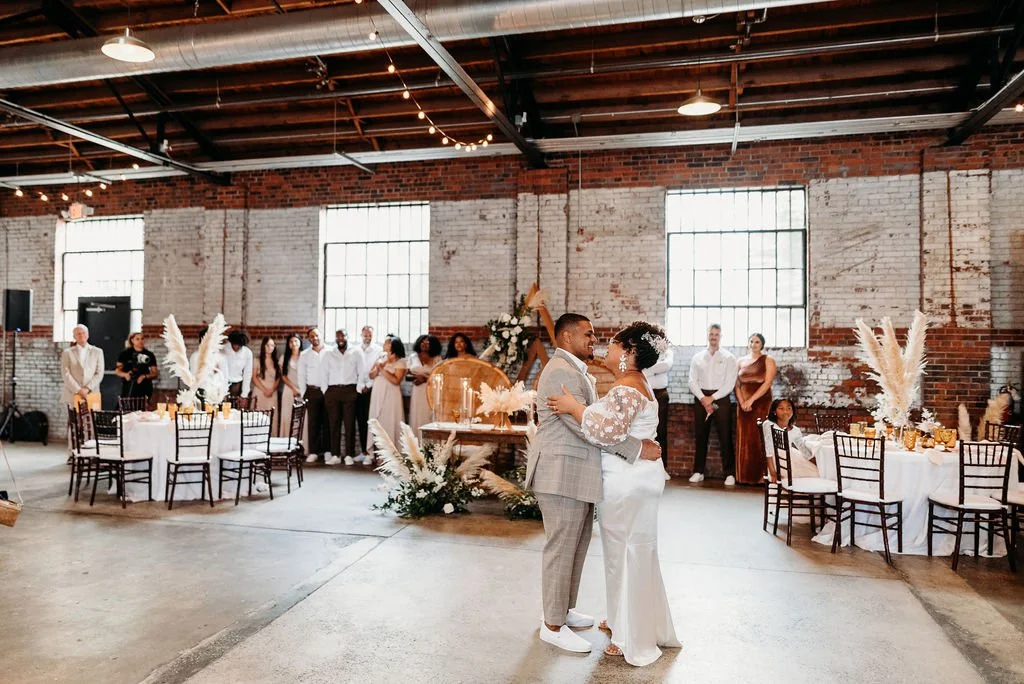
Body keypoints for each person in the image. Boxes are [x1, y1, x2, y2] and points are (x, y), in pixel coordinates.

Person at [524, 313, 662, 656]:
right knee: (561, 549)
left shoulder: (577, 371)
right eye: (588, 334)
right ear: (567, 337)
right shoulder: (558, 371)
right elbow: (582, 426)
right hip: (560, 473)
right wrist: (636, 448)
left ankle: (564, 610)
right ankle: (552, 626)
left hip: (580, 475)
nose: (594, 340)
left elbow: (596, 420)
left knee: (576, 546)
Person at [547, 321, 680, 666]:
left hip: (625, 481)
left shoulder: (626, 387)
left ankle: (626, 636)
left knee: (622, 554)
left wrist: (574, 407)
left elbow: (605, 432)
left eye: (614, 345)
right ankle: (627, 619)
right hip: (638, 479)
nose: (606, 349)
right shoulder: (640, 383)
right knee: (637, 550)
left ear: (629, 353)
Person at [687, 323, 738, 486]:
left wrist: (713, 398)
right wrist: (703, 398)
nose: (713, 336)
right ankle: (698, 471)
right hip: (701, 398)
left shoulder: (729, 357)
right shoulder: (697, 357)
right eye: (711, 334)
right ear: (707, 335)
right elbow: (691, 381)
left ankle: (729, 473)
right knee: (701, 435)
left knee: (725, 436)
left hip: (721, 399)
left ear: (721, 336)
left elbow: (730, 384)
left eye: (716, 334)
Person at [735, 333, 776, 484]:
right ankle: (744, 477)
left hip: (761, 403)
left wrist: (751, 400)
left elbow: (767, 383)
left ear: (762, 344)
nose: (754, 344)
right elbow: (737, 384)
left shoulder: (768, 360)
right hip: (743, 405)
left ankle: (761, 476)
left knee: (760, 438)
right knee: (744, 438)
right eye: (751, 341)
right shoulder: (740, 361)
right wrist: (742, 402)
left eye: (757, 342)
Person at [362, 336, 407, 466]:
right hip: (377, 394)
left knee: (390, 422)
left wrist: (382, 369)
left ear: (393, 345)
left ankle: (393, 455)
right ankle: (377, 453)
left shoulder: (401, 362)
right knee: (378, 422)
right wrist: (378, 367)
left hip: (391, 396)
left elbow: (396, 380)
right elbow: (370, 375)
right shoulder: (380, 357)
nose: (384, 344)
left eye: (387, 342)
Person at [323, 329, 365, 466]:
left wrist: (357, 389)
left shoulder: (356, 352)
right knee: (333, 424)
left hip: (350, 390)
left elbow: (361, 371)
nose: (340, 338)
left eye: (343, 335)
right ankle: (335, 455)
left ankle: (349, 454)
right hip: (333, 391)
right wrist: (325, 391)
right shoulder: (329, 353)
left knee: (349, 424)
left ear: (348, 336)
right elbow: (323, 373)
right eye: (338, 336)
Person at [762, 398, 817, 479]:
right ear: (774, 412)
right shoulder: (769, 425)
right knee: (809, 476)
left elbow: (803, 449)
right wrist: (773, 473)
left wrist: (816, 462)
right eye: (781, 408)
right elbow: (768, 450)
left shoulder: (795, 430)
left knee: (817, 472)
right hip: (777, 461)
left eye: (789, 408)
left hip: (791, 457)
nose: (785, 411)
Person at [299, 328, 330, 464]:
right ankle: (313, 452)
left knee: (328, 421)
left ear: (321, 335)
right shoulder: (304, 355)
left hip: (328, 391)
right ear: (308, 339)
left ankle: (328, 451)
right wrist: (303, 392)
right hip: (312, 391)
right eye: (311, 336)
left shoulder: (330, 352)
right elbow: (301, 375)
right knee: (313, 423)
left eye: (316, 335)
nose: (314, 338)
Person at [643, 344, 675, 469]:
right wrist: (656, 368)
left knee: (661, 431)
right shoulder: (646, 350)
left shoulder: (668, 352)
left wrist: (648, 368)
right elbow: (642, 368)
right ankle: (646, 466)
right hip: (646, 393)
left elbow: (666, 365)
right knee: (646, 430)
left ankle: (662, 467)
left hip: (661, 394)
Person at [61, 324, 104, 408]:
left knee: (91, 419)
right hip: (73, 393)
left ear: (87, 335)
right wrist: (78, 390)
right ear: (74, 336)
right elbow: (65, 373)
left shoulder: (98, 352)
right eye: (78, 334)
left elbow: (99, 373)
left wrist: (87, 388)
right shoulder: (67, 352)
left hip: (92, 393)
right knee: (73, 420)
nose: (81, 335)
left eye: (83, 333)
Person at [356, 326, 383, 460]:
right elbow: (355, 369)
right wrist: (361, 386)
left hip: (373, 389)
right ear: (361, 335)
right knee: (361, 421)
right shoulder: (356, 349)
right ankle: (364, 451)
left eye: (369, 335)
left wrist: (368, 385)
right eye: (365, 335)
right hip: (359, 389)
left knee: (372, 420)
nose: (367, 337)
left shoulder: (379, 350)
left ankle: (374, 452)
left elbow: (378, 370)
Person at [408, 334, 443, 433]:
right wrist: (414, 378)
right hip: (417, 390)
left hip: (431, 389)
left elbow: (440, 376)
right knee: (416, 415)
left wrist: (425, 379)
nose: (425, 344)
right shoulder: (413, 357)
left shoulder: (437, 358)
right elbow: (407, 373)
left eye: (428, 342)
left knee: (428, 414)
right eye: (423, 342)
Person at [115, 332, 159, 406]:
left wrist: (144, 376)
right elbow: (117, 371)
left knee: (142, 408)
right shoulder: (125, 354)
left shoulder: (149, 354)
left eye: (142, 339)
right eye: (137, 339)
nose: (140, 341)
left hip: (145, 386)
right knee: (125, 406)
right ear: (132, 340)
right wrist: (126, 375)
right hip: (129, 385)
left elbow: (155, 373)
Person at [279, 333, 307, 443]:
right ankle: (286, 445)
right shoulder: (284, 357)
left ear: (300, 342)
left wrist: (300, 389)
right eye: (291, 342)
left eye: (296, 341)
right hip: (289, 390)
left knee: (302, 419)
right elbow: (283, 376)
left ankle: (302, 447)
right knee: (288, 417)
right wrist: (294, 388)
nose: (293, 343)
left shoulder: (305, 356)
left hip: (303, 390)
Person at [250, 336, 281, 427]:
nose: (270, 347)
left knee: (272, 418)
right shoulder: (257, 360)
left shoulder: (276, 361)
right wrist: (265, 390)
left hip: (272, 392)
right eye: (267, 345)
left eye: (272, 345)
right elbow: (254, 377)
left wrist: (271, 390)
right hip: (260, 391)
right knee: (259, 418)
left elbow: (279, 378)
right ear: (263, 346)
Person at [222, 330, 253, 402]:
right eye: (234, 344)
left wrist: (244, 395)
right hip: (223, 384)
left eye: (239, 345)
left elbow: (247, 374)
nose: (236, 347)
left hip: (238, 385)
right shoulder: (223, 349)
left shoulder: (247, 353)